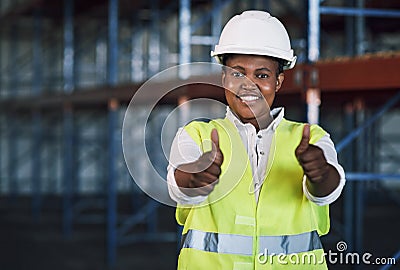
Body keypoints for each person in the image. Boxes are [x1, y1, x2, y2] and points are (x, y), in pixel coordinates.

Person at [167, 10, 345, 269]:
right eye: (238, 74)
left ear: (278, 82)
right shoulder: (197, 135)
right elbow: (178, 185)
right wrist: (195, 178)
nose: (248, 85)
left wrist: (320, 174)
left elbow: (327, 193)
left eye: (262, 75)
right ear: (224, 78)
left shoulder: (310, 138)